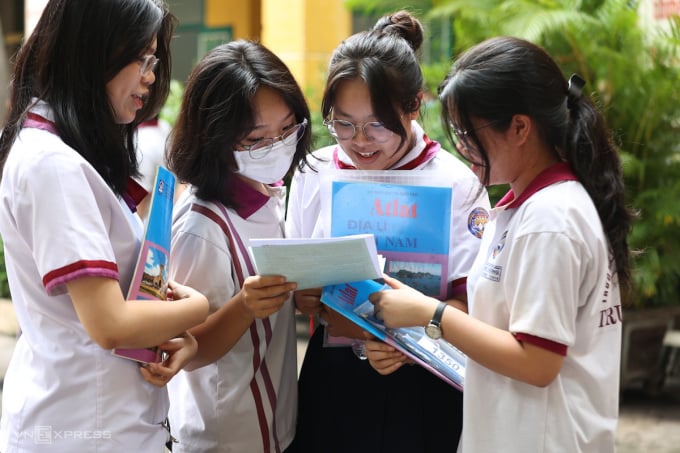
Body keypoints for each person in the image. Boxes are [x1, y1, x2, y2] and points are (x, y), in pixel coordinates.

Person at [365, 36, 632, 453]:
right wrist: (414, 332)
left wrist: (430, 313)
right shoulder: (518, 207)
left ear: (520, 127)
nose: (461, 146)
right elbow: (496, 334)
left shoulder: (551, 219)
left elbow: (538, 362)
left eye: (468, 132)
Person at [0, 1, 210, 451]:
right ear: (93, 51)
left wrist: (175, 334)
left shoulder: (65, 152)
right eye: (142, 59)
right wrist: (198, 309)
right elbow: (109, 323)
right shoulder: (53, 165)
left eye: (153, 61)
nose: (151, 77)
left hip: (98, 416)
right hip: (83, 425)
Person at [285, 11, 490, 453]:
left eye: (377, 123)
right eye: (343, 123)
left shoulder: (457, 183)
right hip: (334, 375)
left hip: (425, 376)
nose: (360, 140)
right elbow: (300, 286)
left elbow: (471, 303)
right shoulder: (314, 171)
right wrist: (302, 296)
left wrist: (402, 341)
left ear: (414, 106)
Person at [165, 39, 312, 452]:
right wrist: (244, 306)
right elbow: (186, 349)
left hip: (274, 421)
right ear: (214, 137)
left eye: (287, 129)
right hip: (226, 434)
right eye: (257, 139)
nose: (279, 146)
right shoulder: (201, 227)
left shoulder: (267, 192)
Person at [134, 115, 172, 219]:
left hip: (146, 223)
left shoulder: (143, 142)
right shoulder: (165, 128)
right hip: (165, 217)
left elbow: (140, 203)